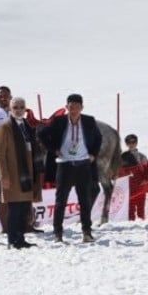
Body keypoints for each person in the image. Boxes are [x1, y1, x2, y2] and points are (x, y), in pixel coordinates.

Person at [39, 93, 102, 243]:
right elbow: (42, 135)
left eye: (77, 107)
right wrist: (54, 149)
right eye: (71, 107)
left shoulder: (88, 121)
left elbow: (98, 138)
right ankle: (58, 233)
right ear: (66, 107)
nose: (74, 110)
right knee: (61, 200)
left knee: (85, 200)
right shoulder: (59, 121)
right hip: (65, 165)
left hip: (83, 165)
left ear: (82, 107)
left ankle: (87, 232)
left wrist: (93, 154)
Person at [0, 97, 38, 249]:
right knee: (15, 207)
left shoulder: (26, 125)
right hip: (12, 174)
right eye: (15, 107)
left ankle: (21, 237)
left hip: (26, 173)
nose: (19, 110)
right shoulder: (4, 127)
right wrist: (3, 175)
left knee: (24, 206)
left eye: (21, 107)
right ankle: (13, 239)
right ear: (10, 110)